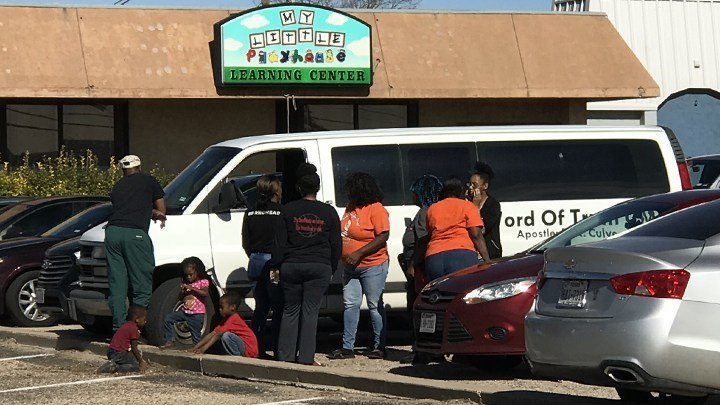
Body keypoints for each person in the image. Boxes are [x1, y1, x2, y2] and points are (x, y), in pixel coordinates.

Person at [270, 163, 341, 366]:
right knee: (311, 312)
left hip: (291, 265)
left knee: (290, 310)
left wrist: (275, 266)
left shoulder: (288, 209)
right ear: (317, 188)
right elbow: (336, 243)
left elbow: (279, 242)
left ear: (299, 188)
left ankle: (285, 356)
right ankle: (306, 358)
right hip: (319, 265)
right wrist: (332, 267)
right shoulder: (329, 212)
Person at [329, 173, 390, 360]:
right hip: (350, 267)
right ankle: (348, 347)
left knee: (374, 305)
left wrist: (359, 253)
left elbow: (383, 236)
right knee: (350, 305)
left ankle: (379, 346)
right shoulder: (351, 207)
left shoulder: (376, 209)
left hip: (372, 264)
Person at [105, 155, 166, 331]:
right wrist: (155, 212)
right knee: (142, 284)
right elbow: (161, 209)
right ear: (139, 166)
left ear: (123, 170)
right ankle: (134, 327)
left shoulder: (118, 187)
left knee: (117, 284)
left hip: (112, 233)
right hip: (135, 234)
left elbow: (124, 207)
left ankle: (118, 328)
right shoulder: (149, 181)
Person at [243, 175, 285, 358]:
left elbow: (246, 242)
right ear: (275, 191)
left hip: (255, 261)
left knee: (260, 307)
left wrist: (254, 255)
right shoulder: (281, 212)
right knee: (278, 306)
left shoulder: (250, 212)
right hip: (273, 265)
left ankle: (256, 347)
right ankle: (277, 347)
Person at [424, 178, 491, 281]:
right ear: (460, 191)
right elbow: (476, 234)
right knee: (463, 292)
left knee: (440, 294)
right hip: (461, 255)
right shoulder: (467, 206)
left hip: (434, 258)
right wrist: (487, 260)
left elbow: (430, 232)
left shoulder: (432, 208)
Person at [400, 175, 443, 309]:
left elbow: (423, 241)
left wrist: (413, 265)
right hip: (420, 263)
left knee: (416, 302)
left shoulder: (425, 213)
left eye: (415, 192)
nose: (412, 196)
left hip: (420, 267)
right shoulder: (431, 210)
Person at [160, 257, 210, 348]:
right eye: (186, 275)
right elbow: (180, 298)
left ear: (197, 272)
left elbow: (205, 293)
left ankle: (197, 349)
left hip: (196, 314)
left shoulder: (203, 282)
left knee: (195, 335)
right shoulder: (185, 283)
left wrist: (193, 289)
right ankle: (170, 340)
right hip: (184, 311)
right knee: (168, 319)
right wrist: (183, 292)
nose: (189, 277)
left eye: (191, 275)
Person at [190, 292, 258, 357]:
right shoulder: (226, 319)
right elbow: (213, 333)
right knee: (220, 338)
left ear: (232, 307)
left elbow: (217, 334)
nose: (220, 310)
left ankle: (237, 357)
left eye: (222, 307)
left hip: (249, 349)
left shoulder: (233, 319)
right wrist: (195, 348)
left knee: (226, 336)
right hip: (244, 346)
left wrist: (203, 349)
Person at [97, 305, 149, 373]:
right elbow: (134, 348)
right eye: (144, 319)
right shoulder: (133, 329)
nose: (145, 322)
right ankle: (115, 367)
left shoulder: (126, 325)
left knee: (129, 359)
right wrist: (141, 362)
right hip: (119, 354)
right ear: (137, 319)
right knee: (135, 366)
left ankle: (113, 362)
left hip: (111, 352)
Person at [468, 161, 503, 259]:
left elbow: (481, 230)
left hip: (489, 252)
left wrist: (476, 207)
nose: (471, 188)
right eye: (469, 184)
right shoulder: (467, 203)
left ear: (485, 186)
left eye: (474, 185)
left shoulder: (493, 205)